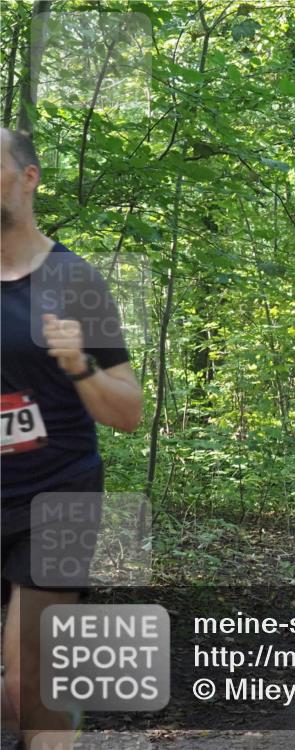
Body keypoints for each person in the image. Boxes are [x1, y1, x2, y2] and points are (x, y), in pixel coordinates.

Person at [1, 128, 143, 750]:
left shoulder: (75, 280)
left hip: (57, 495)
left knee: (27, 686)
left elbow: (129, 412)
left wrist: (80, 364)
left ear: (29, 178)